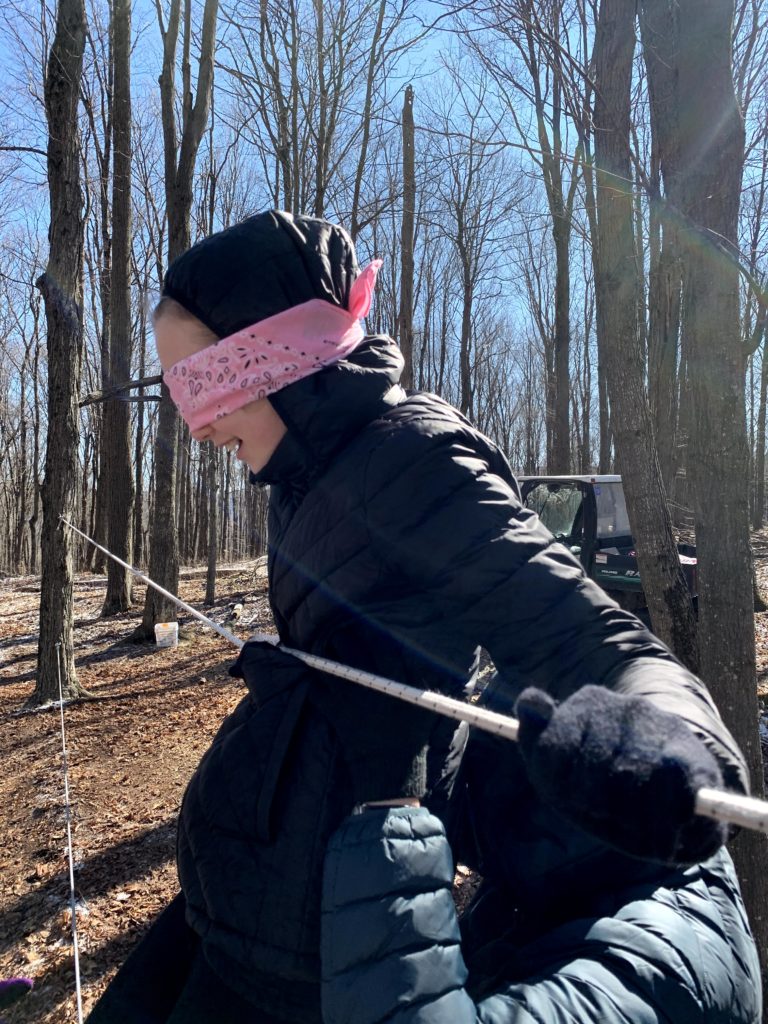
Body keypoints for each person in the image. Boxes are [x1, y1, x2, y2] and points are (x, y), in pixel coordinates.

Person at [87, 210, 758, 1023]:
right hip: (251, 909)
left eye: (202, 383)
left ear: (280, 357)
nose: (197, 426)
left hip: (334, 943)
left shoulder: (415, 460)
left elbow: (592, 637)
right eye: (175, 394)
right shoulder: (298, 468)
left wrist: (677, 749)